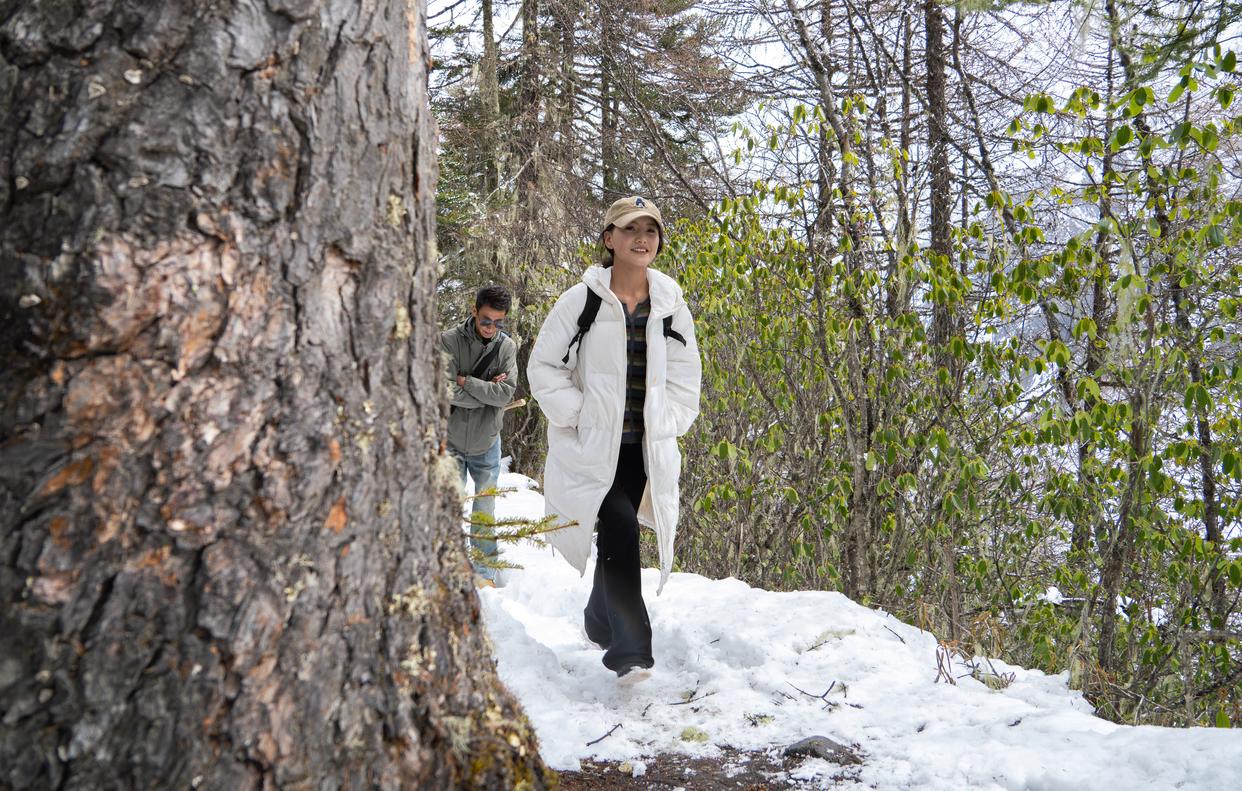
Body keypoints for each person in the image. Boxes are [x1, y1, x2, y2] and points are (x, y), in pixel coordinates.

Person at [528, 196, 701, 681]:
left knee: (617, 531)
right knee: (621, 526)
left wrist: (671, 420)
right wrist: (578, 415)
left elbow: (686, 375)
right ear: (609, 238)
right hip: (591, 447)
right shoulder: (580, 301)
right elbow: (543, 366)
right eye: (630, 229)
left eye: (651, 230)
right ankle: (631, 649)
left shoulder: (670, 305)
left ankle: (599, 619)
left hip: (644, 449)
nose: (642, 238)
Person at [441, 284, 518, 584]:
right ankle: (445, 567)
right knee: (449, 506)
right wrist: (486, 392)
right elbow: (443, 388)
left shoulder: (506, 347)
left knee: (485, 508)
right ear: (474, 311)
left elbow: (505, 394)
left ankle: (484, 572)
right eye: (486, 320)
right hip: (451, 438)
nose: (491, 328)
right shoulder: (449, 341)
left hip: (487, 441)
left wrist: (467, 382)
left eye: (499, 322)